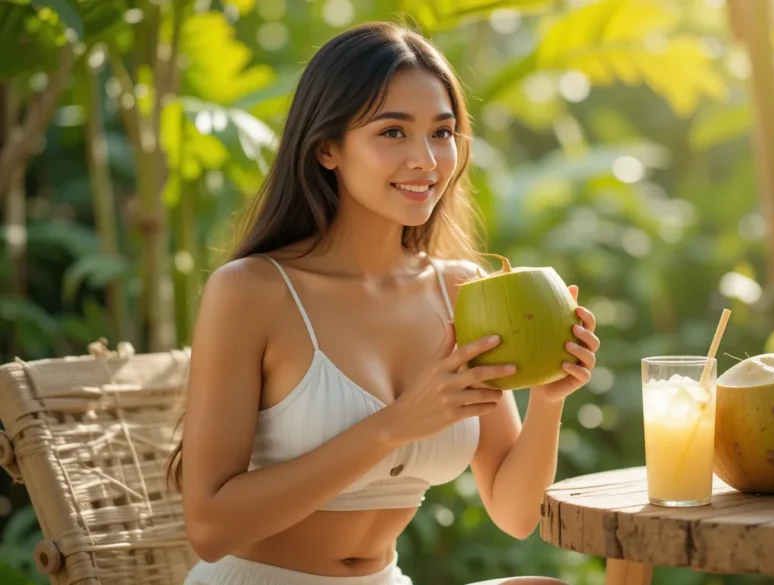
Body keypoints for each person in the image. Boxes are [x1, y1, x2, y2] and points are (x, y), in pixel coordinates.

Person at [168, 20, 601, 585]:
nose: (426, 159)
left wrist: (549, 399)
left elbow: (516, 514)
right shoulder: (253, 290)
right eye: (393, 132)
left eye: (442, 133)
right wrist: (393, 425)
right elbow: (209, 526)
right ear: (327, 148)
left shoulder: (460, 291)